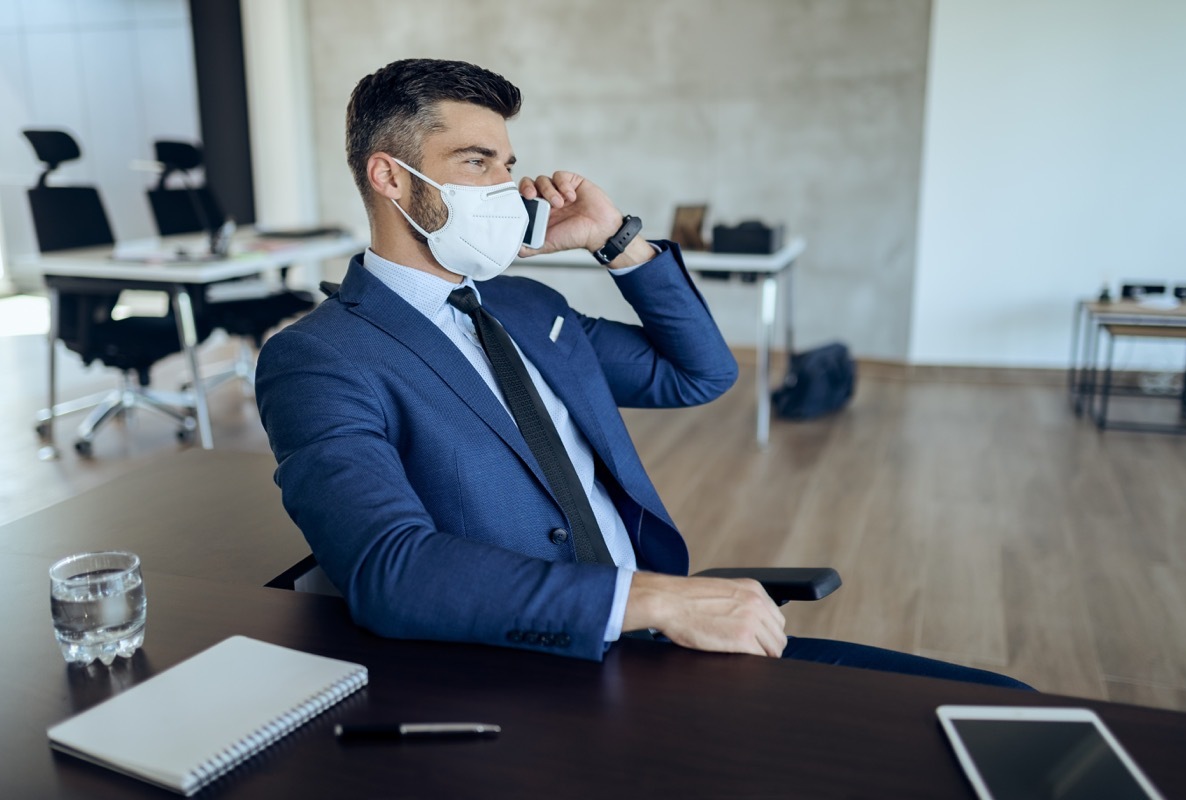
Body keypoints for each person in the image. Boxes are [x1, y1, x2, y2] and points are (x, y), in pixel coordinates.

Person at [256, 58, 1027, 689]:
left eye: (509, 165)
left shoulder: (523, 305)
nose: (505, 187)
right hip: (543, 668)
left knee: (1001, 703)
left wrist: (617, 241)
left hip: (661, 641)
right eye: (476, 162)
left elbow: (700, 374)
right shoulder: (319, 358)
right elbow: (393, 570)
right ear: (390, 179)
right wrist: (657, 599)